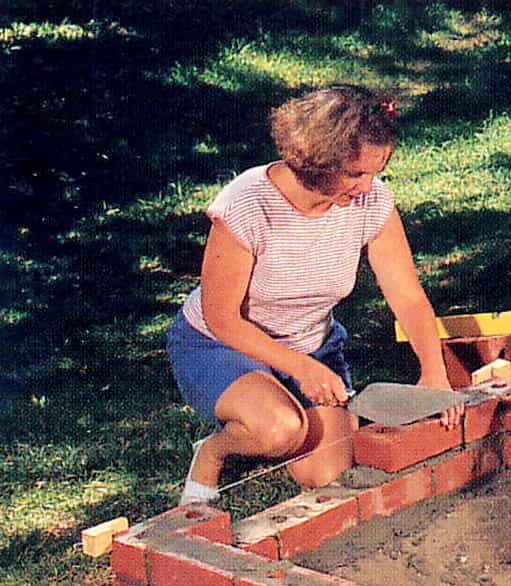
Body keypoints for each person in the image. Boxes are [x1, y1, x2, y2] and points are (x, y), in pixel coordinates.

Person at [166, 84, 457, 505]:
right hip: (218, 344)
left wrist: (434, 373)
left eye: (377, 171)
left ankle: (275, 414)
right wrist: (299, 368)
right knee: (279, 429)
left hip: (311, 350)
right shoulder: (248, 204)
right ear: (319, 164)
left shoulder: (371, 202)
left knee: (326, 473)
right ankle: (212, 452)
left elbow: (408, 297)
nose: (368, 186)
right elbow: (221, 317)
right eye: (356, 174)